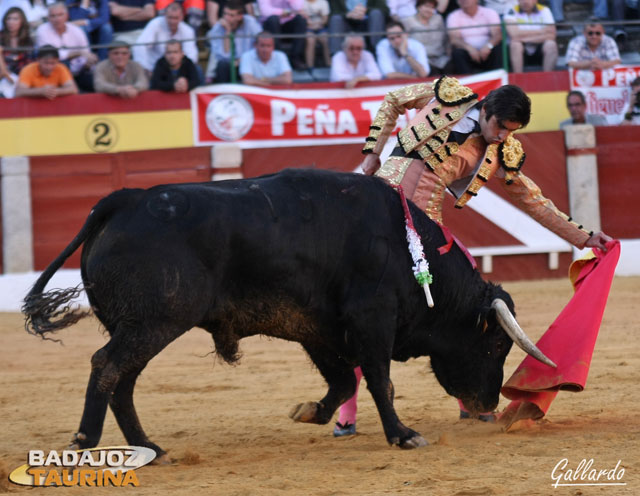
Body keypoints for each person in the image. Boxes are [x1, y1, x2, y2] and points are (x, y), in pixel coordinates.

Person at [333, 76, 612, 436]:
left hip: (426, 225)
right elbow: (391, 100)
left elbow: (535, 202)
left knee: (466, 300)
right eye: (499, 127)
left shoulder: (500, 151)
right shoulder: (446, 97)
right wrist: (373, 150)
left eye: (510, 132)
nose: (501, 137)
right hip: (376, 208)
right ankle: (346, 413)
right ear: (486, 110)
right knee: (360, 309)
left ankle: (469, 400)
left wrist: (586, 237)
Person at [35, 2, 98, 92]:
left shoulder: (76, 30)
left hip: (79, 70)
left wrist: (88, 62)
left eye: (60, 15)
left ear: (67, 16)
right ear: (48, 18)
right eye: (53, 16)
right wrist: (78, 53)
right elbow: (51, 55)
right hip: (54, 71)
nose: (57, 19)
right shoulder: (42, 30)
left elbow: (86, 52)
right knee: (63, 64)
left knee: (95, 77)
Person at [133, 2, 198, 73]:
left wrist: (184, 71)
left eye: (175, 18)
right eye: (170, 17)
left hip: (178, 69)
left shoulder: (188, 30)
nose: (172, 21)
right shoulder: (155, 24)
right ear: (165, 15)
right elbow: (140, 46)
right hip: (154, 68)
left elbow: (192, 55)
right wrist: (146, 69)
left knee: (197, 70)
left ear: (182, 17)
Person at [206, 0, 261, 82]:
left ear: (240, 16)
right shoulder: (218, 27)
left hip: (248, 61)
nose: (226, 18)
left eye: (231, 15)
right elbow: (223, 56)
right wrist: (227, 32)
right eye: (225, 14)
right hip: (229, 63)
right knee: (222, 65)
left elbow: (260, 45)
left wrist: (241, 60)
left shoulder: (250, 23)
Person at [446, 0, 502, 75]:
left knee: (498, 50)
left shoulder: (490, 12)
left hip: (488, 52)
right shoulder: (453, 16)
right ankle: (465, 83)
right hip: (467, 53)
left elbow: (497, 35)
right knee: (457, 53)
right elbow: (454, 39)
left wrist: (488, 46)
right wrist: (469, 48)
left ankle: (497, 79)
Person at [503, 0, 557, 73]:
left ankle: (547, 77)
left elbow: (552, 35)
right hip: (522, 50)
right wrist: (542, 31)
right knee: (515, 45)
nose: (525, 2)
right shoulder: (511, 11)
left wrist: (523, 38)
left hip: (539, 49)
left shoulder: (544, 10)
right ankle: (518, 78)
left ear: (535, 1)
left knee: (551, 44)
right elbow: (514, 35)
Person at [404, 0, 452, 75]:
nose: (429, 10)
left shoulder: (438, 19)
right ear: (418, 7)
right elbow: (404, 41)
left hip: (441, 58)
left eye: (432, 7)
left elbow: (445, 38)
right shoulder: (408, 21)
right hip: (421, 60)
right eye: (426, 6)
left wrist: (449, 52)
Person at [257, 0, 307, 70]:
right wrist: (285, 12)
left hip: (287, 24)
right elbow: (265, 11)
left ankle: (296, 58)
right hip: (269, 25)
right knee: (273, 19)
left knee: (301, 20)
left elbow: (298, 8)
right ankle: (278, 58)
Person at [0, 7, 34, 98]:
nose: (11, 22)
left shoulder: (28, 40)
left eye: (15, 19)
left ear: (22, 21)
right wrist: (7, 75)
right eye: (9, 18)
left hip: (22, 78)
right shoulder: (0, 37)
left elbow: (29, 64)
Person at [302, 0, 330, 68]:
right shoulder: (301, 3)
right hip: (308, 28)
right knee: (310, 40)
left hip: (320, 28)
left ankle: (329, 65)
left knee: (326, 40)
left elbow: (325, 19)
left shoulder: (323, 2)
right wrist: (310, 25)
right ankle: (310, 67)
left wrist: (317, 25)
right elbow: (302, 19)